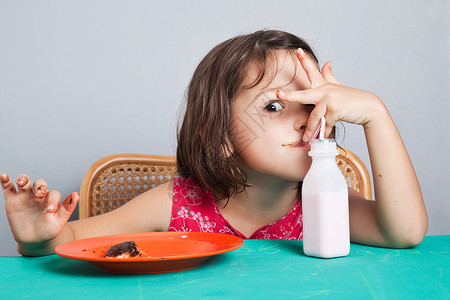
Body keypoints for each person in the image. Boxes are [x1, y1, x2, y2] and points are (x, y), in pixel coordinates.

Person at [1, 30, 428, 256]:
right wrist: (39, 239)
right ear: (219, 135)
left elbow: (405, 234)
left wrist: (375, 111)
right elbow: (73, 240)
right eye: (276, 107)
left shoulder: (326, 202)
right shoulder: (175, 204)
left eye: (315, 102)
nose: (308, 121)